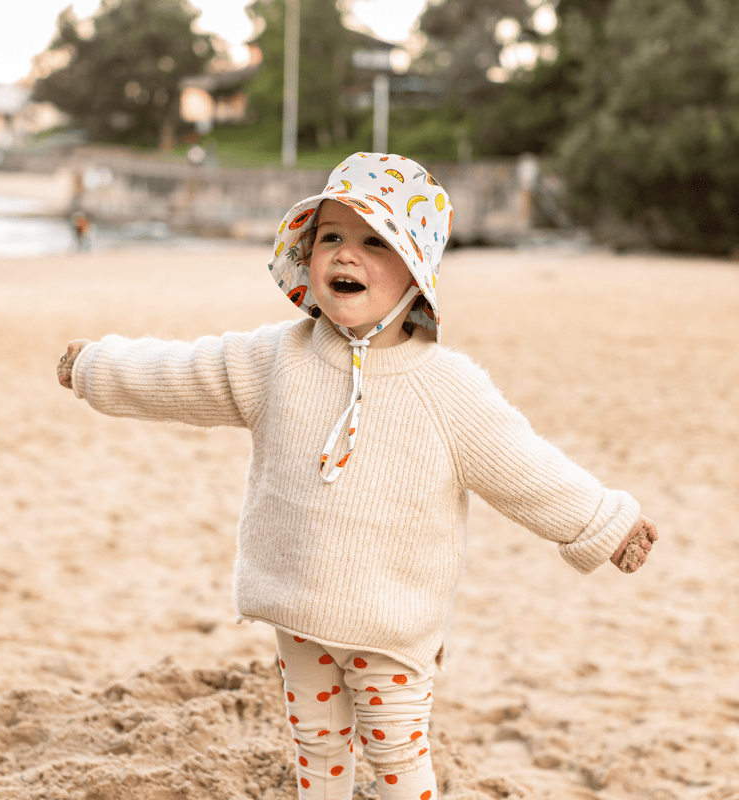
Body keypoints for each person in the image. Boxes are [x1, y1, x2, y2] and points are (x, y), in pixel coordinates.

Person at [57, 152, 658, 800]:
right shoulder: (274, 360)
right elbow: (183, 372)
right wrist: (97, 367)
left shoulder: (448, 388)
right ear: (306, 257)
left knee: (397, 750)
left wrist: (605, 523)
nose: (346, 255)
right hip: (301, 612)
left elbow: (527, 470)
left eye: (376, 241)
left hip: (395, 625)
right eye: (332, 238)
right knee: (316, 746)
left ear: (415, 273)